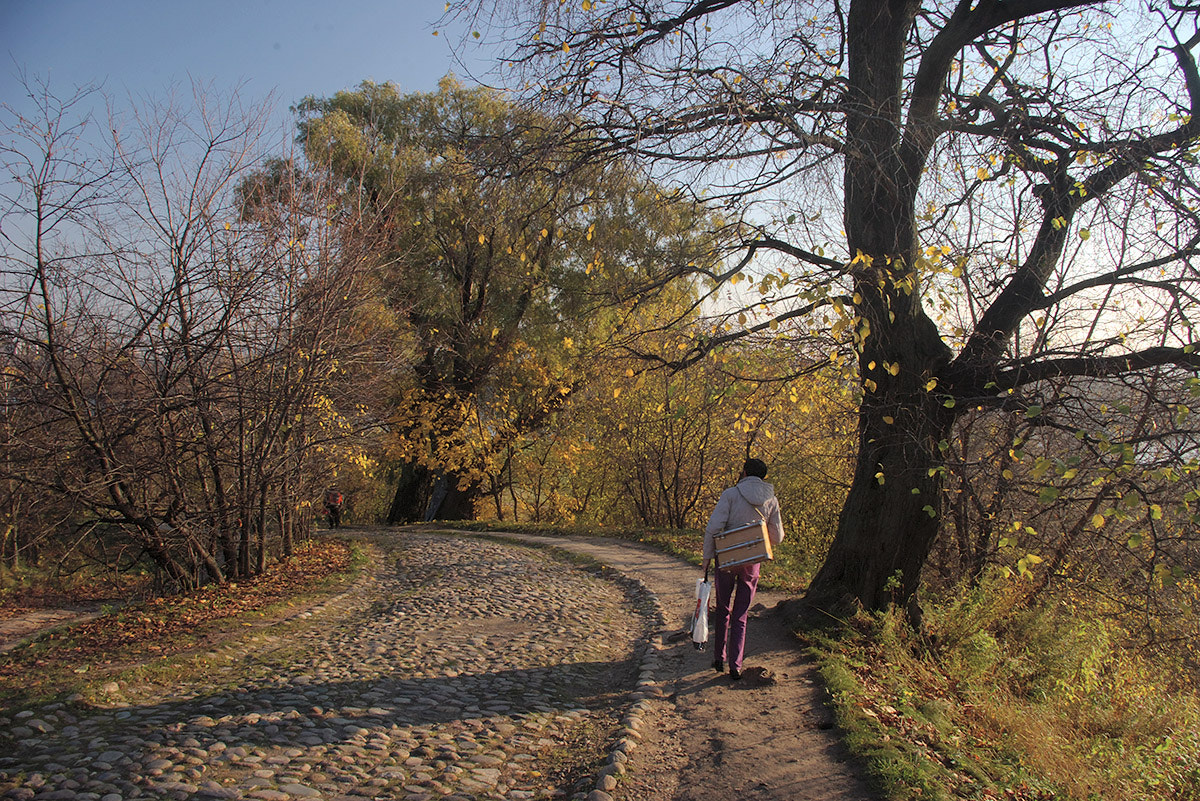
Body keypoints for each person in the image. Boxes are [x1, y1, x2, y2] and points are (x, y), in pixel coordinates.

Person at [702, 458, 785, 680]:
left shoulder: (730, 494)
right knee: (741, 613)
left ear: (745, 472)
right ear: (763, 476)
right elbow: (777, 537)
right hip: (752, 560)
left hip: (727, 557)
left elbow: (714, 527)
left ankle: (719, 656)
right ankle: (736, 664)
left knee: (722, 608)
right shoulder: (771, 499)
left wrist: (707, 557)